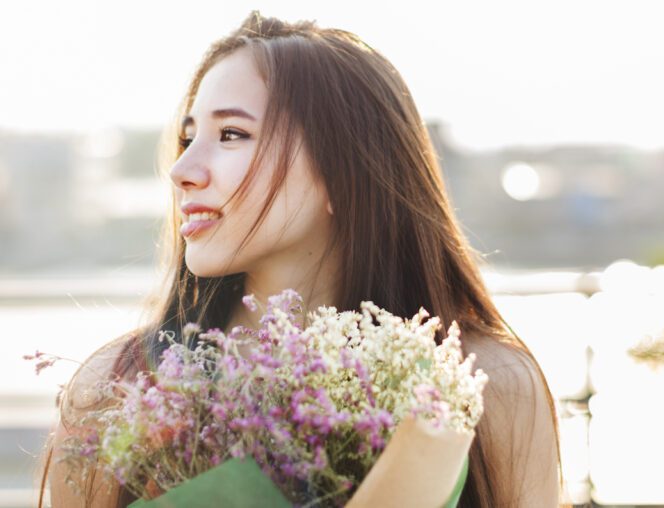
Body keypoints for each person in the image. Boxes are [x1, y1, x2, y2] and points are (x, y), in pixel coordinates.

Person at [39, 11, 564, 507]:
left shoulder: (487, 385)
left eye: (231, 135)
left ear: (345, 172)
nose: (183, 169)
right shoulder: (119, 387)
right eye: (186, 137)